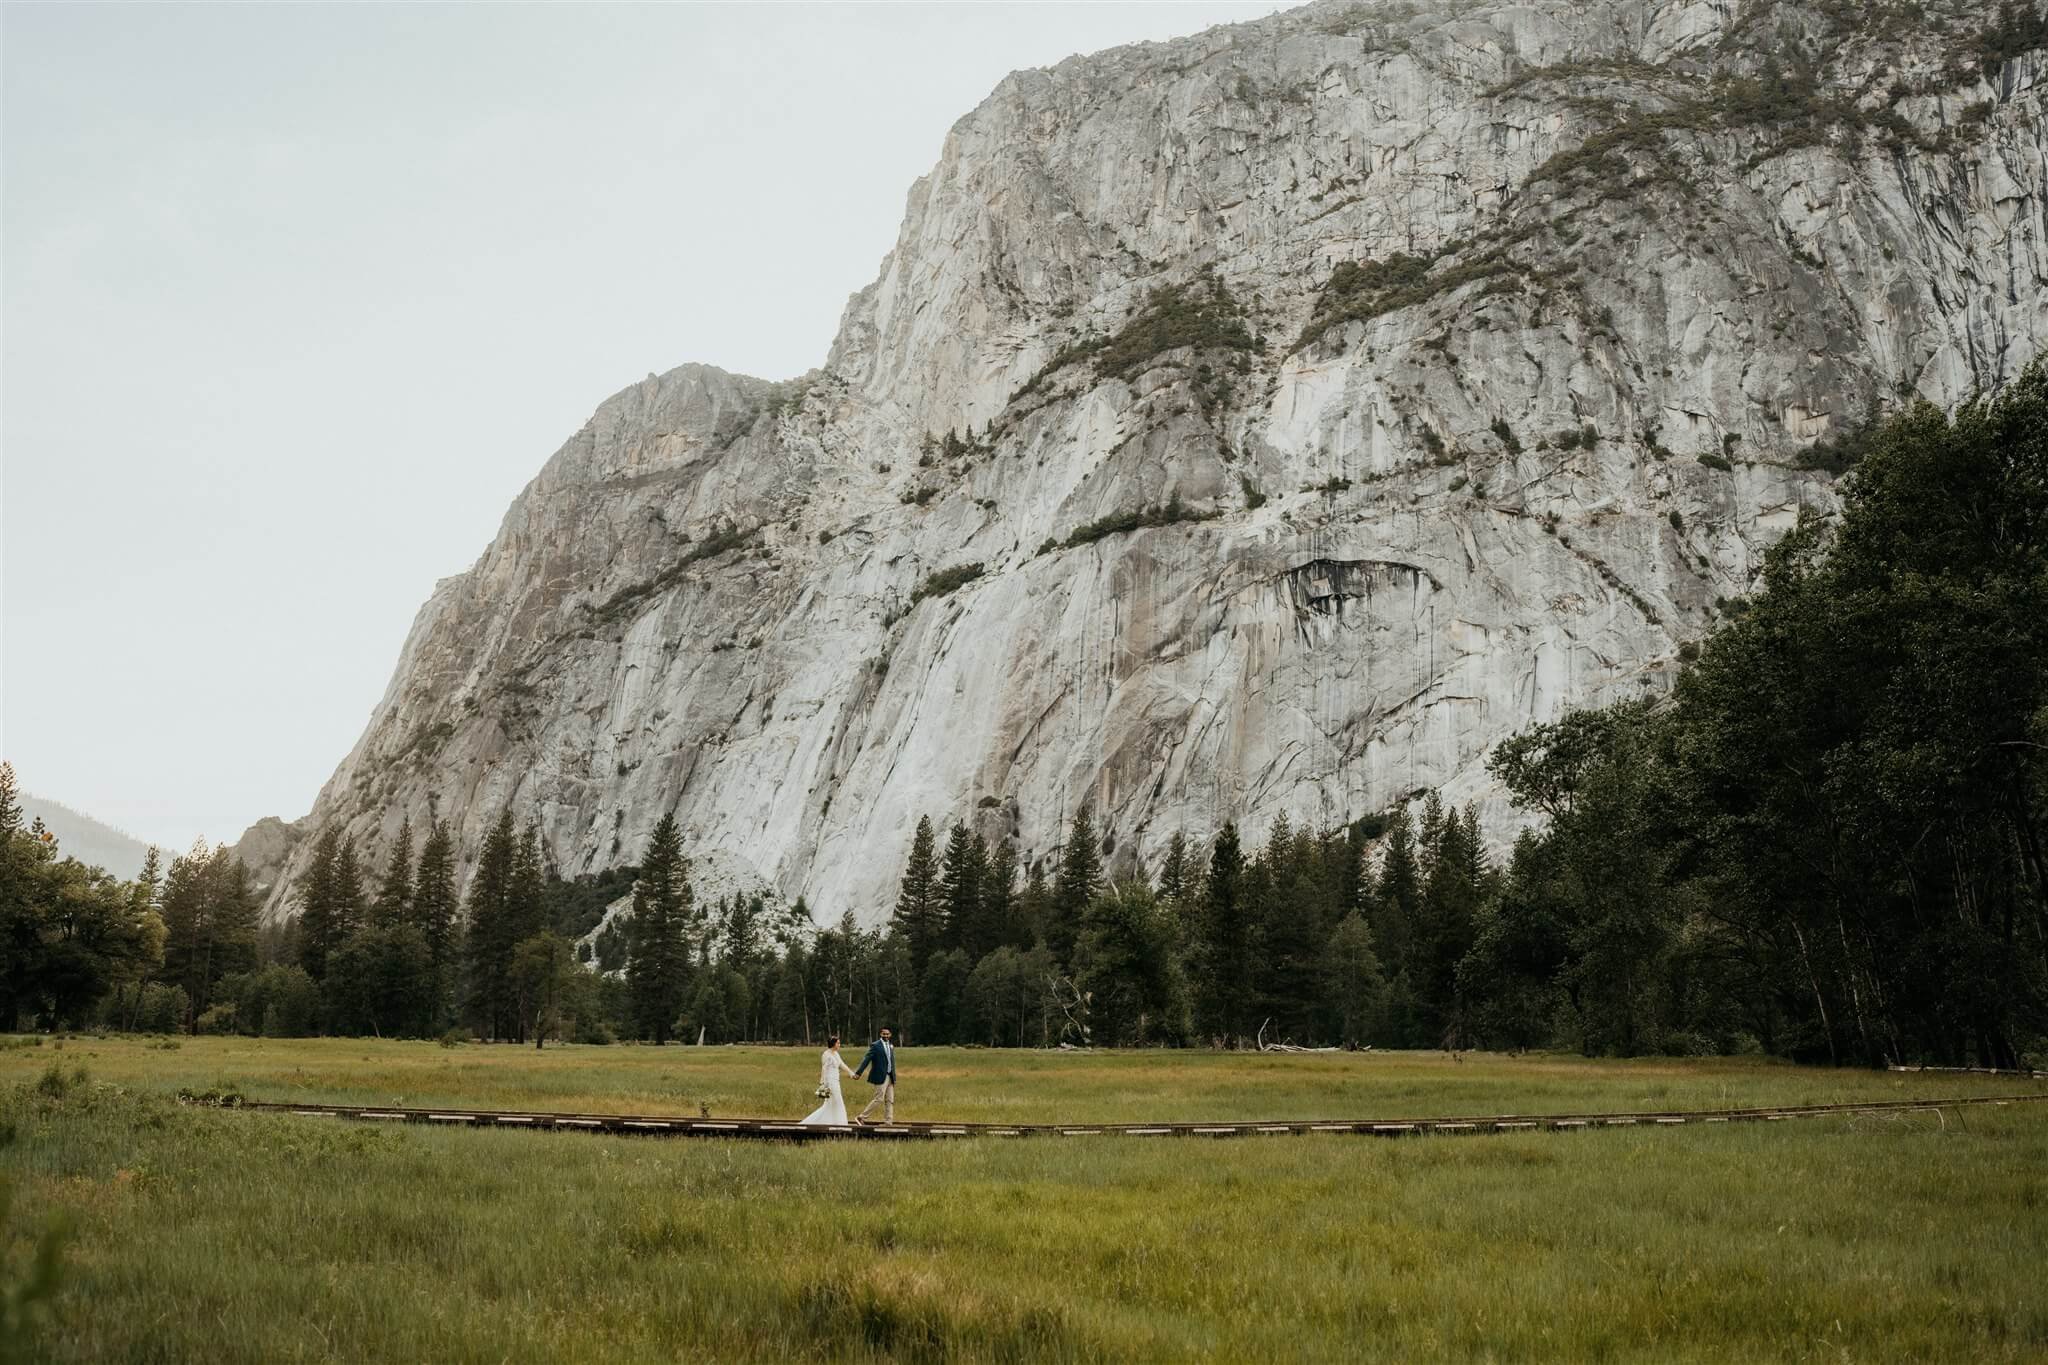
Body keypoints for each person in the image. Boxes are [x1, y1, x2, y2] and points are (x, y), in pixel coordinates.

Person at [800, 1035, 858, 1126]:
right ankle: (839, 1123)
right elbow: (824, 1069)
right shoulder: (826, 1054)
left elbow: (842, 1064)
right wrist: (822, 1083)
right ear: (833, 1044)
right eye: (838, 1043)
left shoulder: (836, 1054)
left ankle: (831, 1122)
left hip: (836, 1081)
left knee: (832, 1104)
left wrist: (851, 1074)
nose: (839, 1045)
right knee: (837, 1102)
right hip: (830, 1082)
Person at [852, 1027, 897, 1124]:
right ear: (880, 1034)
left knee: (890, 1100)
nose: (885, 1036)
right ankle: (861, 1117)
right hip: (880, 1076)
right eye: (883, 1034)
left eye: (887, 1034)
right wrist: (858, 1072)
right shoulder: (875, 1045)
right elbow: (866, 1059)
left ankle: (888, 1122)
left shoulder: (890, 1045)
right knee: (879, 1099)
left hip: (890, 1077)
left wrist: (894, 1078)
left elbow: (892, 1062)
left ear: (890, 1035)